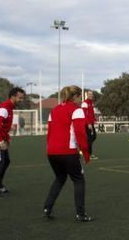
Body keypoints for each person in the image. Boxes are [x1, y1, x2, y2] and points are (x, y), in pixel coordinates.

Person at [42, 85, 93, 222]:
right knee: (78, 180)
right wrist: (85, 152)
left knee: (60, 178)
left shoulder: (55, 109)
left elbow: (50, 133)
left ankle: (47, 208)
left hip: (52, 151)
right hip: (68, 152)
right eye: (80, 96)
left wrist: (50, 148)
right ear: (75, 96)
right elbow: (80, 133)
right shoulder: (77, 110)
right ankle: (80, 214)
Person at [81, 90, 98, 160]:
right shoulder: (84, 103)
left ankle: (85, 148)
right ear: (87, 95)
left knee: (93, 137)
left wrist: (94, 120)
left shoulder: (91, 103)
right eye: (89, 94)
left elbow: (91, 113)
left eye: (92, 94)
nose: (91, 95)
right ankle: (89, 154)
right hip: (87, 124)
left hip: (91, 123)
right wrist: (88, 123)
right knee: (90, 138)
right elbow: (84, 114)